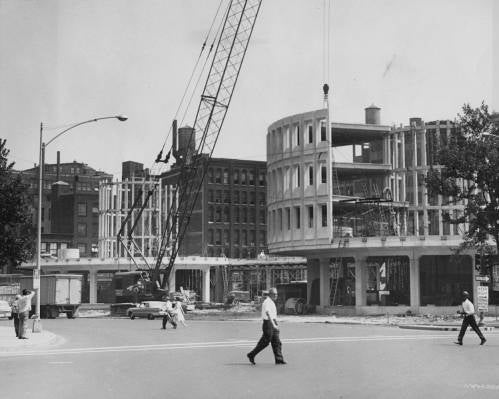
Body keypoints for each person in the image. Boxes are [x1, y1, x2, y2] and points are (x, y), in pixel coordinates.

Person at [247, 287, 286, 365]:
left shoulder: (271, 302)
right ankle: (251, 354)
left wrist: (275, 323)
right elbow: (268, 314)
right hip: (268, 323)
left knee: (277, 342)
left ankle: (279, 359)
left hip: (273, 322)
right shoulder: (267, 302)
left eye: (277, 294)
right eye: (274, 294)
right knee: (265, 342)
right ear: (270, 294)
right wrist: (274, 324)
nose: (276, 296)